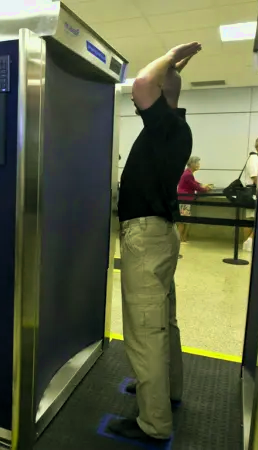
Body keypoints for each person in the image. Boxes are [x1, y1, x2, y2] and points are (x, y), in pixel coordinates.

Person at [108, 41, 202, 443]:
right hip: (160, 234)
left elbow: (143, 83)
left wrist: (168, 54)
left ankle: (153, 423)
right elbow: (161, 84)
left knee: (145, 329)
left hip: (145, 237)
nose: (137, 106)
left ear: (162, 96)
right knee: (164, 320)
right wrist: (174, 70)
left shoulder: (166, 126)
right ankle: (167, 392)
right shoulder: (176, 128)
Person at [176, 156, 213, 242]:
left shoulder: (188, 173)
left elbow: (194, 182)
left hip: (184, 199)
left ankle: (182, 238)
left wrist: (202, 184)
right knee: (183, 221)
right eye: (197, 163)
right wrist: (206, 189)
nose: (198, 165)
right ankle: (180, 239)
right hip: (184, 199)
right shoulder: (188, 174)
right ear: (192, 164)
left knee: (184, 220)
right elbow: (195, 187)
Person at [241, 137, 258, 251]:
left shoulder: (256, 158)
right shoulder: (254, 158)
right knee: (250, 218)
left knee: (253, 218)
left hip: (254, 191)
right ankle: (248, 243)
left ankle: (249, 242)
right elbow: (255, 177)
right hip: (253, 192)